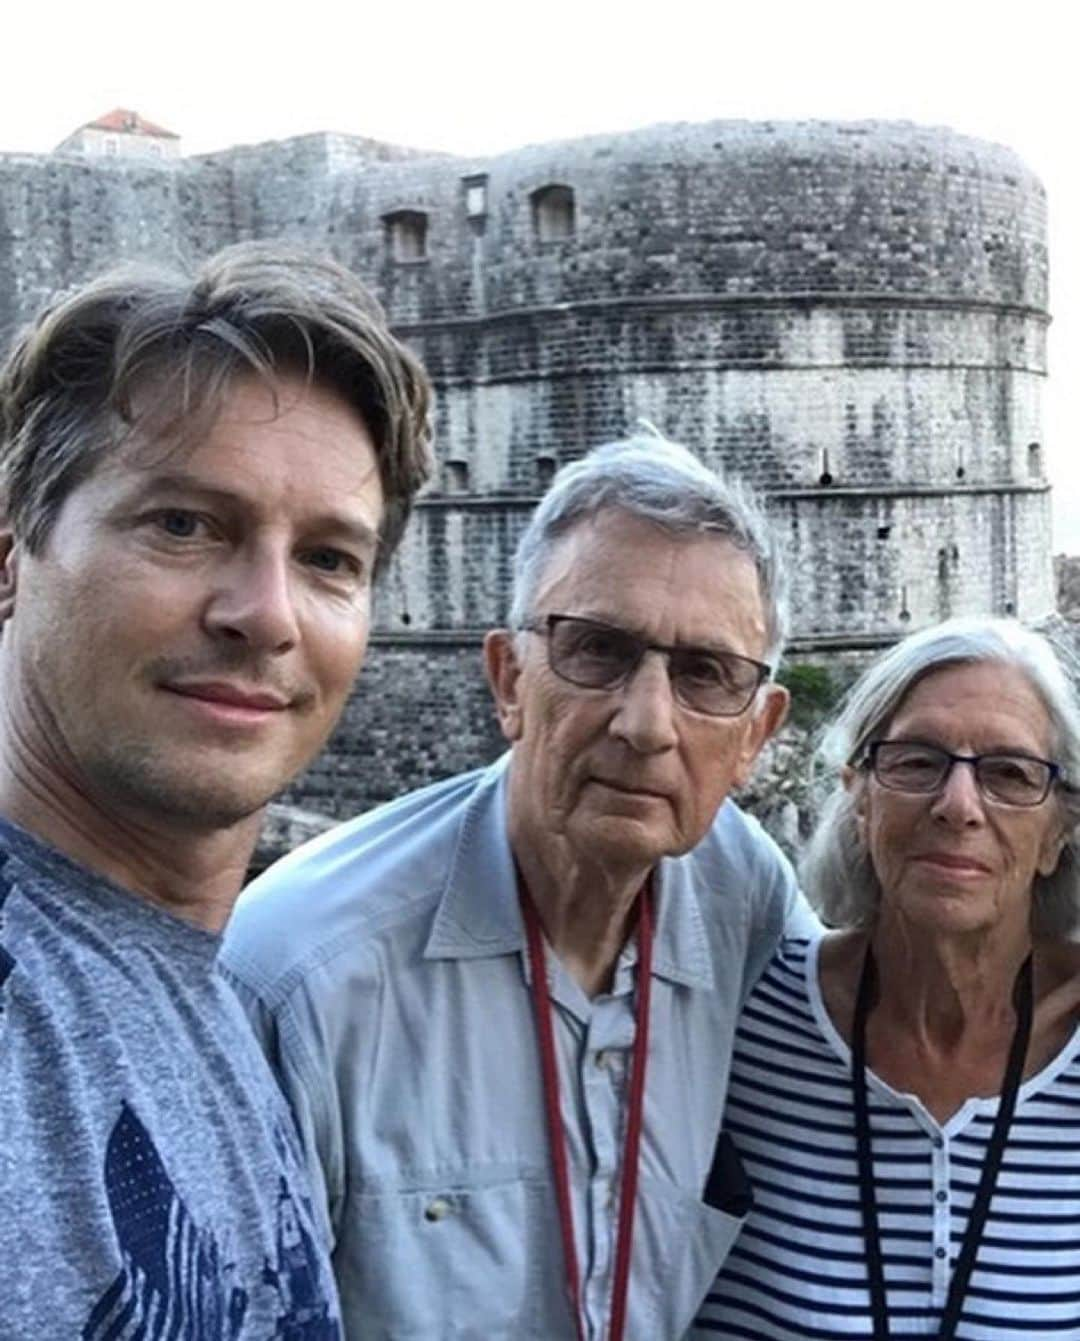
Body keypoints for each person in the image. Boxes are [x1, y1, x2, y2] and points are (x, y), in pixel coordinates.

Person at [223, 436, 818, 1340]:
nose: (647, 723)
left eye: (706, 675)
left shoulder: (747, 897)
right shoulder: (300, 976)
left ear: (755, 734)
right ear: (508, 680)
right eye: (596, 651)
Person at [0, 241, 432, 1336]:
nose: (268, 614)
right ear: (11, 558)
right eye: (185, 525)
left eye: (331, 559)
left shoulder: (202, 985)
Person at [696, 616, 1080, 1340]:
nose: (958, 806)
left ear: (1058, 830)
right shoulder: (742, 1017)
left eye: (1009, 773)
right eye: (916, 761)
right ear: (859, 795)